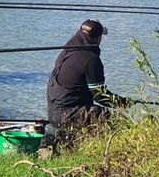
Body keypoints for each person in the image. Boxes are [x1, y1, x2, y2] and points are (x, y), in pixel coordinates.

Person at [43, 19, 128, 151]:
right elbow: (100, 96)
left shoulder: (66, 51)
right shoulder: (91, 60)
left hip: (53, 113)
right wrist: (122, 103)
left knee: (95, 112)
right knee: (118, 120)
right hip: (69, 114)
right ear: (98, 38)